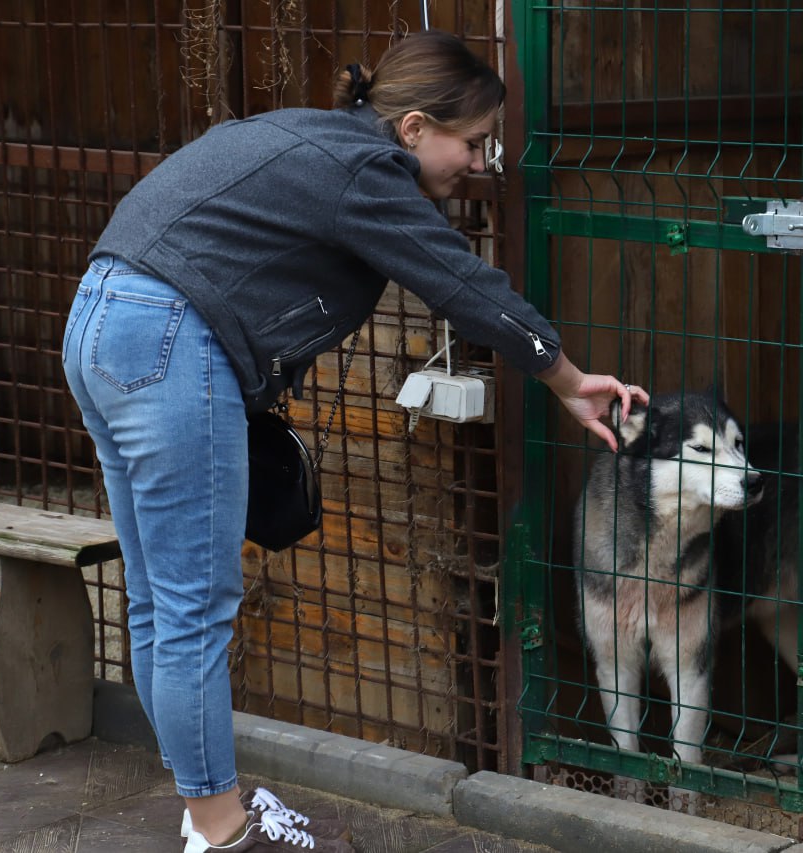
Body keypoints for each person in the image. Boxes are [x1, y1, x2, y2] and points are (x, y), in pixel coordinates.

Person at [61, 29, 647, 853]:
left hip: (99, 322)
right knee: (194, 608)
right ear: (413, 128)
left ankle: (205, 812)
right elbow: (461, 282)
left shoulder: (308, 135)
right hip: (169, 340)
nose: (479, 161)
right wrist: (564, 375)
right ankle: (224, 834)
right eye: (473, 141)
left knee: (160, 600)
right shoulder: (365, 171)